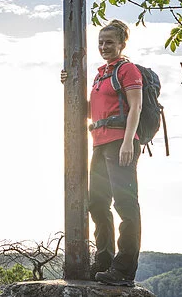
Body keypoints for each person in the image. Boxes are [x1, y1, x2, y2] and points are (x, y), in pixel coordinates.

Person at [62, 19, 142, 287]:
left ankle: (124, 270)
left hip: (121, 142)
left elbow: (136, 108)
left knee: (126, 206)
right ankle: (104, 260)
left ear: (121, 44)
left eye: (109, 42)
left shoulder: (127, 70)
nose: (104, 46)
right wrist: (69, 83)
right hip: (99, 143)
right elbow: (89, 111)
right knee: (96, 203)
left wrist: (128, 142)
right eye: (101, 42)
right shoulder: (100, 75)